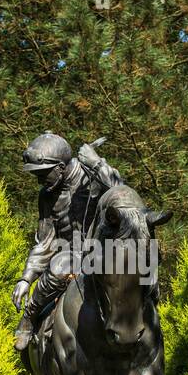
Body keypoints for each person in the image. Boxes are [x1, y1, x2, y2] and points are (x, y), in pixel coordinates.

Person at [12, 131, 123, 350]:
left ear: (60, 168)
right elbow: (45, 242)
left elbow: (123, 192)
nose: (39, 181)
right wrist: (26, 278)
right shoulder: (47, 196)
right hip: (70, 255)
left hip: (104, 250)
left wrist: (98, 163)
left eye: (43, 174)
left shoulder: (91, 176)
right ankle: (29, 316)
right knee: (60, 266)